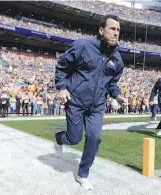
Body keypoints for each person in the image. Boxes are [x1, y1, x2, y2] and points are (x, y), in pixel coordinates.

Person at [54, 14, 126, 190]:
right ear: (101, 30)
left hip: (97, 106)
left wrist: (117, 95)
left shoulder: (117, 59)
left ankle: (82, 173)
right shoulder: (82, 46)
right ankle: (60, 137)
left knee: (94, 137)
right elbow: (62, 66)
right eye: (112, 28)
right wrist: (62, 87)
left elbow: (112, 82)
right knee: (74, 138)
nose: (116, 33)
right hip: (76, 101)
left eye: (118, 30)